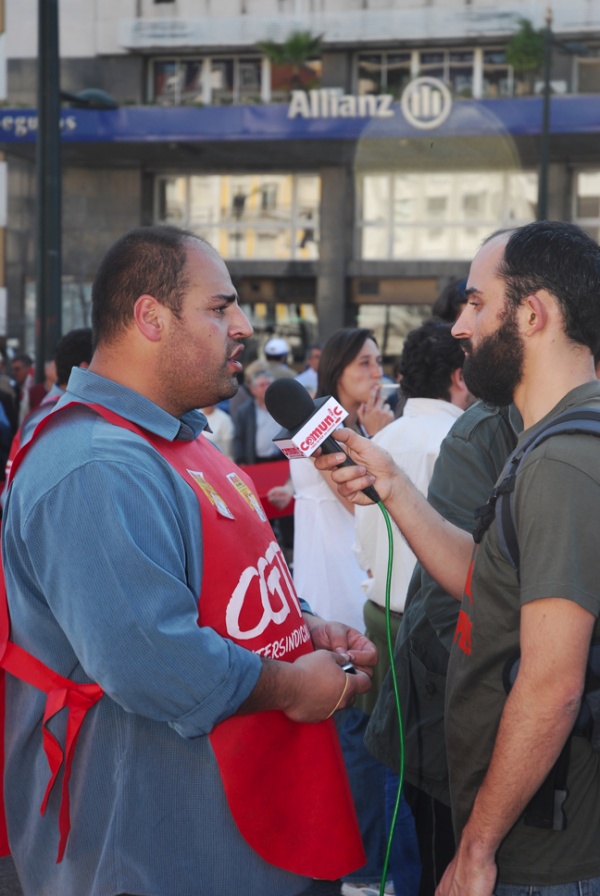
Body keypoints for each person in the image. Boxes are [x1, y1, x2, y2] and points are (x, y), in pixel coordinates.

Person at [1, 225, 377, 896]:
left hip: (246, 836)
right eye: (219, 306)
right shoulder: (94, 465)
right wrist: (297, 686)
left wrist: (303, 624)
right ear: (150, 317)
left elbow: (226, 584)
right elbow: (153, 660)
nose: (243, 326)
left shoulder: (177, 437)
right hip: (149, 853)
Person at [314, 221, 600, 896]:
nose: (461, 327)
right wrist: (393, 485)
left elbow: (551, 683)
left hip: (540, 852)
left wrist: (475, 849)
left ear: (534, 314)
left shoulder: (563, 457)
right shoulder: (544, 439)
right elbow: (487, 582)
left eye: (477, 302)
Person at [365, 401, 521, 896]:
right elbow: (448, 599)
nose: (462, 328)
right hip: (444, 721)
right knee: (440, 866)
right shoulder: (473, 437)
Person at [353, 319, 473, 896]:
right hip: (425, 622)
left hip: (379, 607)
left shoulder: (387, 438)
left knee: (387, 762)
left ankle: (391, 878)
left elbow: (364, 544)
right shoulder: (459, 440)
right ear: (459, 375)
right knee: (428, 778)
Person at [288, 328, 393, 896]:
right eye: (365, 363)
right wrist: (381, 438)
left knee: (352, 744)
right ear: (336, 369)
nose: (377, 373)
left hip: (337, 595)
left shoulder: (332, 425)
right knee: (359, 744)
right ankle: (362, 874)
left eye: (379, 362)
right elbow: (364, 502)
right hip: (341, 604)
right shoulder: (325, 428)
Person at [233, 367, 283, 465]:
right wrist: (240, 460)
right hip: (256, 461)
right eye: (262, 385)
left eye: (268, 384)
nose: (266, 388)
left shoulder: (282, 407)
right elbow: (239, 438)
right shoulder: (245, 411)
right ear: (253, 389)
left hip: (280, 459)